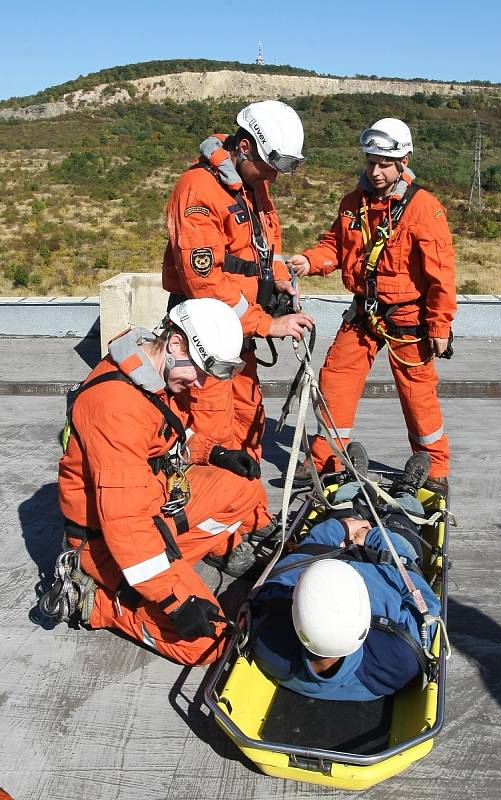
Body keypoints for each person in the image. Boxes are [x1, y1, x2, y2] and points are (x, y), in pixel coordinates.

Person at [52, 298, 270, 666]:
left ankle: (195, 551)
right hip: (108, 542)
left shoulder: (152, 375)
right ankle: (93, 601)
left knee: (243, 489)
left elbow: (165, 438)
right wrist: (178, 600)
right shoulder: (117, 407)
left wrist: (213, 454)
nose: (199, 383)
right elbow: (128, 527)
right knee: (206, 642)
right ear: (176, 343)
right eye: (200, 371)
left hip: (154, 504)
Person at [163, 100, 314, 533]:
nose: (273, 177)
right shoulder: (198, 191)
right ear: (244, 147)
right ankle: (217, 532)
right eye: (269, 167)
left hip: (237, 334)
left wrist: (281, 279)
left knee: (248, 425)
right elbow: (205, 286)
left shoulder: (251, 184)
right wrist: (268, 325)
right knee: (213, 434)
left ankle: (250, 515)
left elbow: (261, 249)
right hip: (204, 340)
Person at [289, 118, 456, 496]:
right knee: (334, 381)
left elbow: (441, 275)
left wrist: (440, 327)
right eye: (370, 162)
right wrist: (308, 261)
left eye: (384, 163)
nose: (376, 171)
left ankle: (435, 468)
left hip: (408, 316)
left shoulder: (423, 209)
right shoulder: (353, 204)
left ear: (403, 162)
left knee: (417, 394)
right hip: (364, 312)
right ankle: (325, 459)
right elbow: (334, 245)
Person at [250, 450, 441, 700]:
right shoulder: (396, 659)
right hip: (386, 557)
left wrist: (337, 529)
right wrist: (376, 540)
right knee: (399, 523)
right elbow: (424, 603)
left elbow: (282, 574)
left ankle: (354, 484)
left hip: (332, 553)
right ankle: (406, 493)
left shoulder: (273, 647)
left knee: (344, 515)